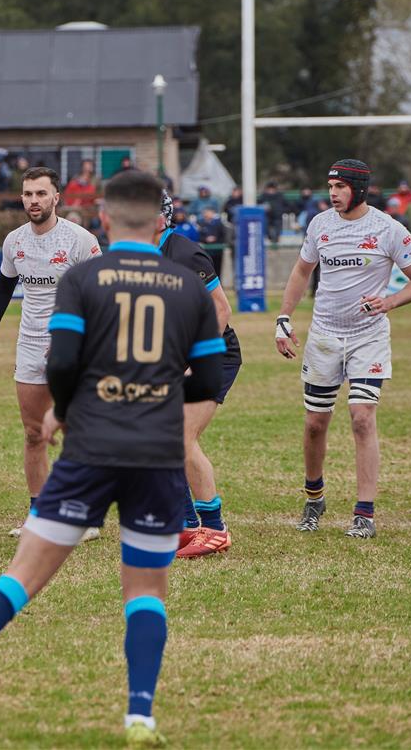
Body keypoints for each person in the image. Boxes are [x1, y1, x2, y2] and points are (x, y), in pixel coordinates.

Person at [0, 169, 227, 747]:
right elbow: (208, 377)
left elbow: (64, 363)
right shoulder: (186, 286)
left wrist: (64, 414)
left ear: (103, 218)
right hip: (151, 453)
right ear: (159, 220)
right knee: (145, 591)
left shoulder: (84, 277)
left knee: (21, 578)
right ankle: (140, 718)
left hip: (91, 448)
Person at [274, 159, 411, 539]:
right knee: (315, 423)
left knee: (362, 418)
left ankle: (364, 513)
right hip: (325, 335)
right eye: (330, 186)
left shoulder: (388, 229)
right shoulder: (320, 225)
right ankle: (315, 498)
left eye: (341, 187)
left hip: (368, 336)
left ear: (358, 189)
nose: (333, 193)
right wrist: (283, 318)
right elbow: (301, 272)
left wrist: (390, 302)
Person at [0, 166, 102, 540]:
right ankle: (41, 515)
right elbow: (1, 291)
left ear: (56, 197)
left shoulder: (80, 240)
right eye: (28, 194)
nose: (34, 200)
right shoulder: (14, 242)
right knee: (34, 434)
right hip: (30, 344)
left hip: (73, 345)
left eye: (41, 194)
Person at [153, 191, 242, 559]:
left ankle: (215, 529)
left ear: (163, 216)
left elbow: (221, 310)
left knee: (180, 437)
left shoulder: (184, 253)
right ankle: (188, 526)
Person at [198, 208, 227, 277]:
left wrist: (216, 239)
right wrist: (206, 239)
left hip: (217, 251)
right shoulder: (201, 224)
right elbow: (199, 236)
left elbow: (223, 235)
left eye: (209, 212)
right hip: (206, 251)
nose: (207, 214)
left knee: (217, 268)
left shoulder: (219, 224)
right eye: (206, 212)